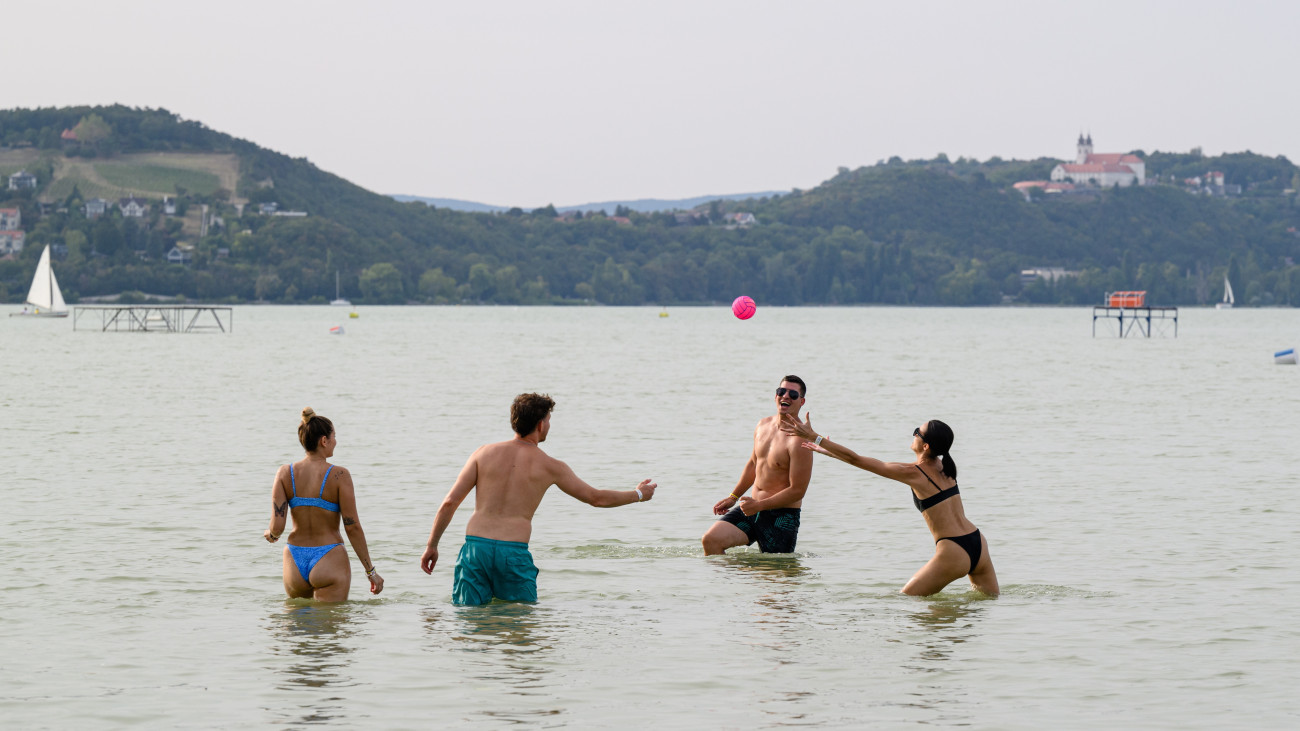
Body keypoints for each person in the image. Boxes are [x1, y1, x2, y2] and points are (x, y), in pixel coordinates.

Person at [420, 393, 657, 605]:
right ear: (541, 424)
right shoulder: (551, 466)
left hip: (476, 549)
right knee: (520, 627)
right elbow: (595, 498)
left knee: (469, 622)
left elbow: (450, 502)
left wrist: (432, 545)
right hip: (513, 553)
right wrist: (638, 495)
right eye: (549, 421)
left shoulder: (483, 453)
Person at [780, 414, 999, 596]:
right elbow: (862, 461)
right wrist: (830, 452)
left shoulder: (914, 473)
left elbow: (859, 460)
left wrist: (815, 438)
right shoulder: (944, 466)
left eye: (917, 432)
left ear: (925, 445)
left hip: (953, 551)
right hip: (978, 542)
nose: (913, 434)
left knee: (905, 600)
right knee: (988, 605)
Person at [264, 408, 383, 601]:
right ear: (324, 440)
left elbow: (277, 528)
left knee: (297, 627)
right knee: (331, 626)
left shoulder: (285, 473)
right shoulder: (339, 475)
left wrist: (270, 535)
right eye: (334, 436)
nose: (336, 441)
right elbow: (352, 527)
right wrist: (371, 571)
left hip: (294, 558)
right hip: (329, 556)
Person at [701, 375, 814, 555]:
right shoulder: (763, 425)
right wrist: (733, 496)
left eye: (793, 394)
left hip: (781, 516)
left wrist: (759, 506)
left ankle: (755, 577)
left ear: (801, 402)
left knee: (776, 578)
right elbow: (754, 463)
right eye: (781, 391)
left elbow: (798, 491)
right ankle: (738, 581)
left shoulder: (800, 441)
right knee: (711, 540)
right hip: (752, 508)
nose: (785, 396)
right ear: (775, 395)